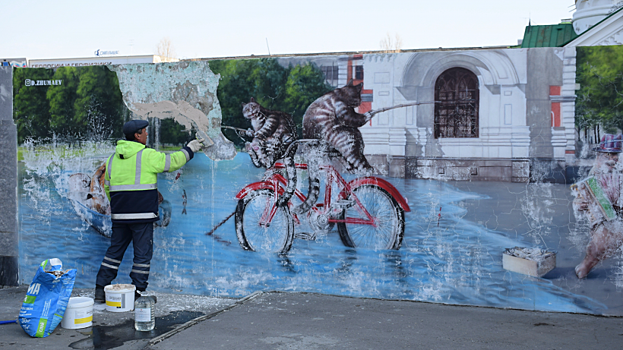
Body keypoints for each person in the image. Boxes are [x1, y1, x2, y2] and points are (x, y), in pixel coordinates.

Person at [94, 120, 204, 302]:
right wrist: (190, 149)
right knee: (142, 254)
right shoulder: (146, 155)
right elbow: (171, 162)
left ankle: (100, 289)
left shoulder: (112, 159)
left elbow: (107, 187)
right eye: (144, 132)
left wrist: (122, 206)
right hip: (142, 215)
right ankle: (137, 293)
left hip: (120, 215)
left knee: (114, 252)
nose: (147, 135)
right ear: (137, 135)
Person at [573, 134, 623, 279]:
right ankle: (586, 266)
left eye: (615, 154)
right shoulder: (595, 173)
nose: (612, 158)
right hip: (604, 217)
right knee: (598, 246)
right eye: (608, 154)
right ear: (601, 155)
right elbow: (581, 197)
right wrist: (579, 204)